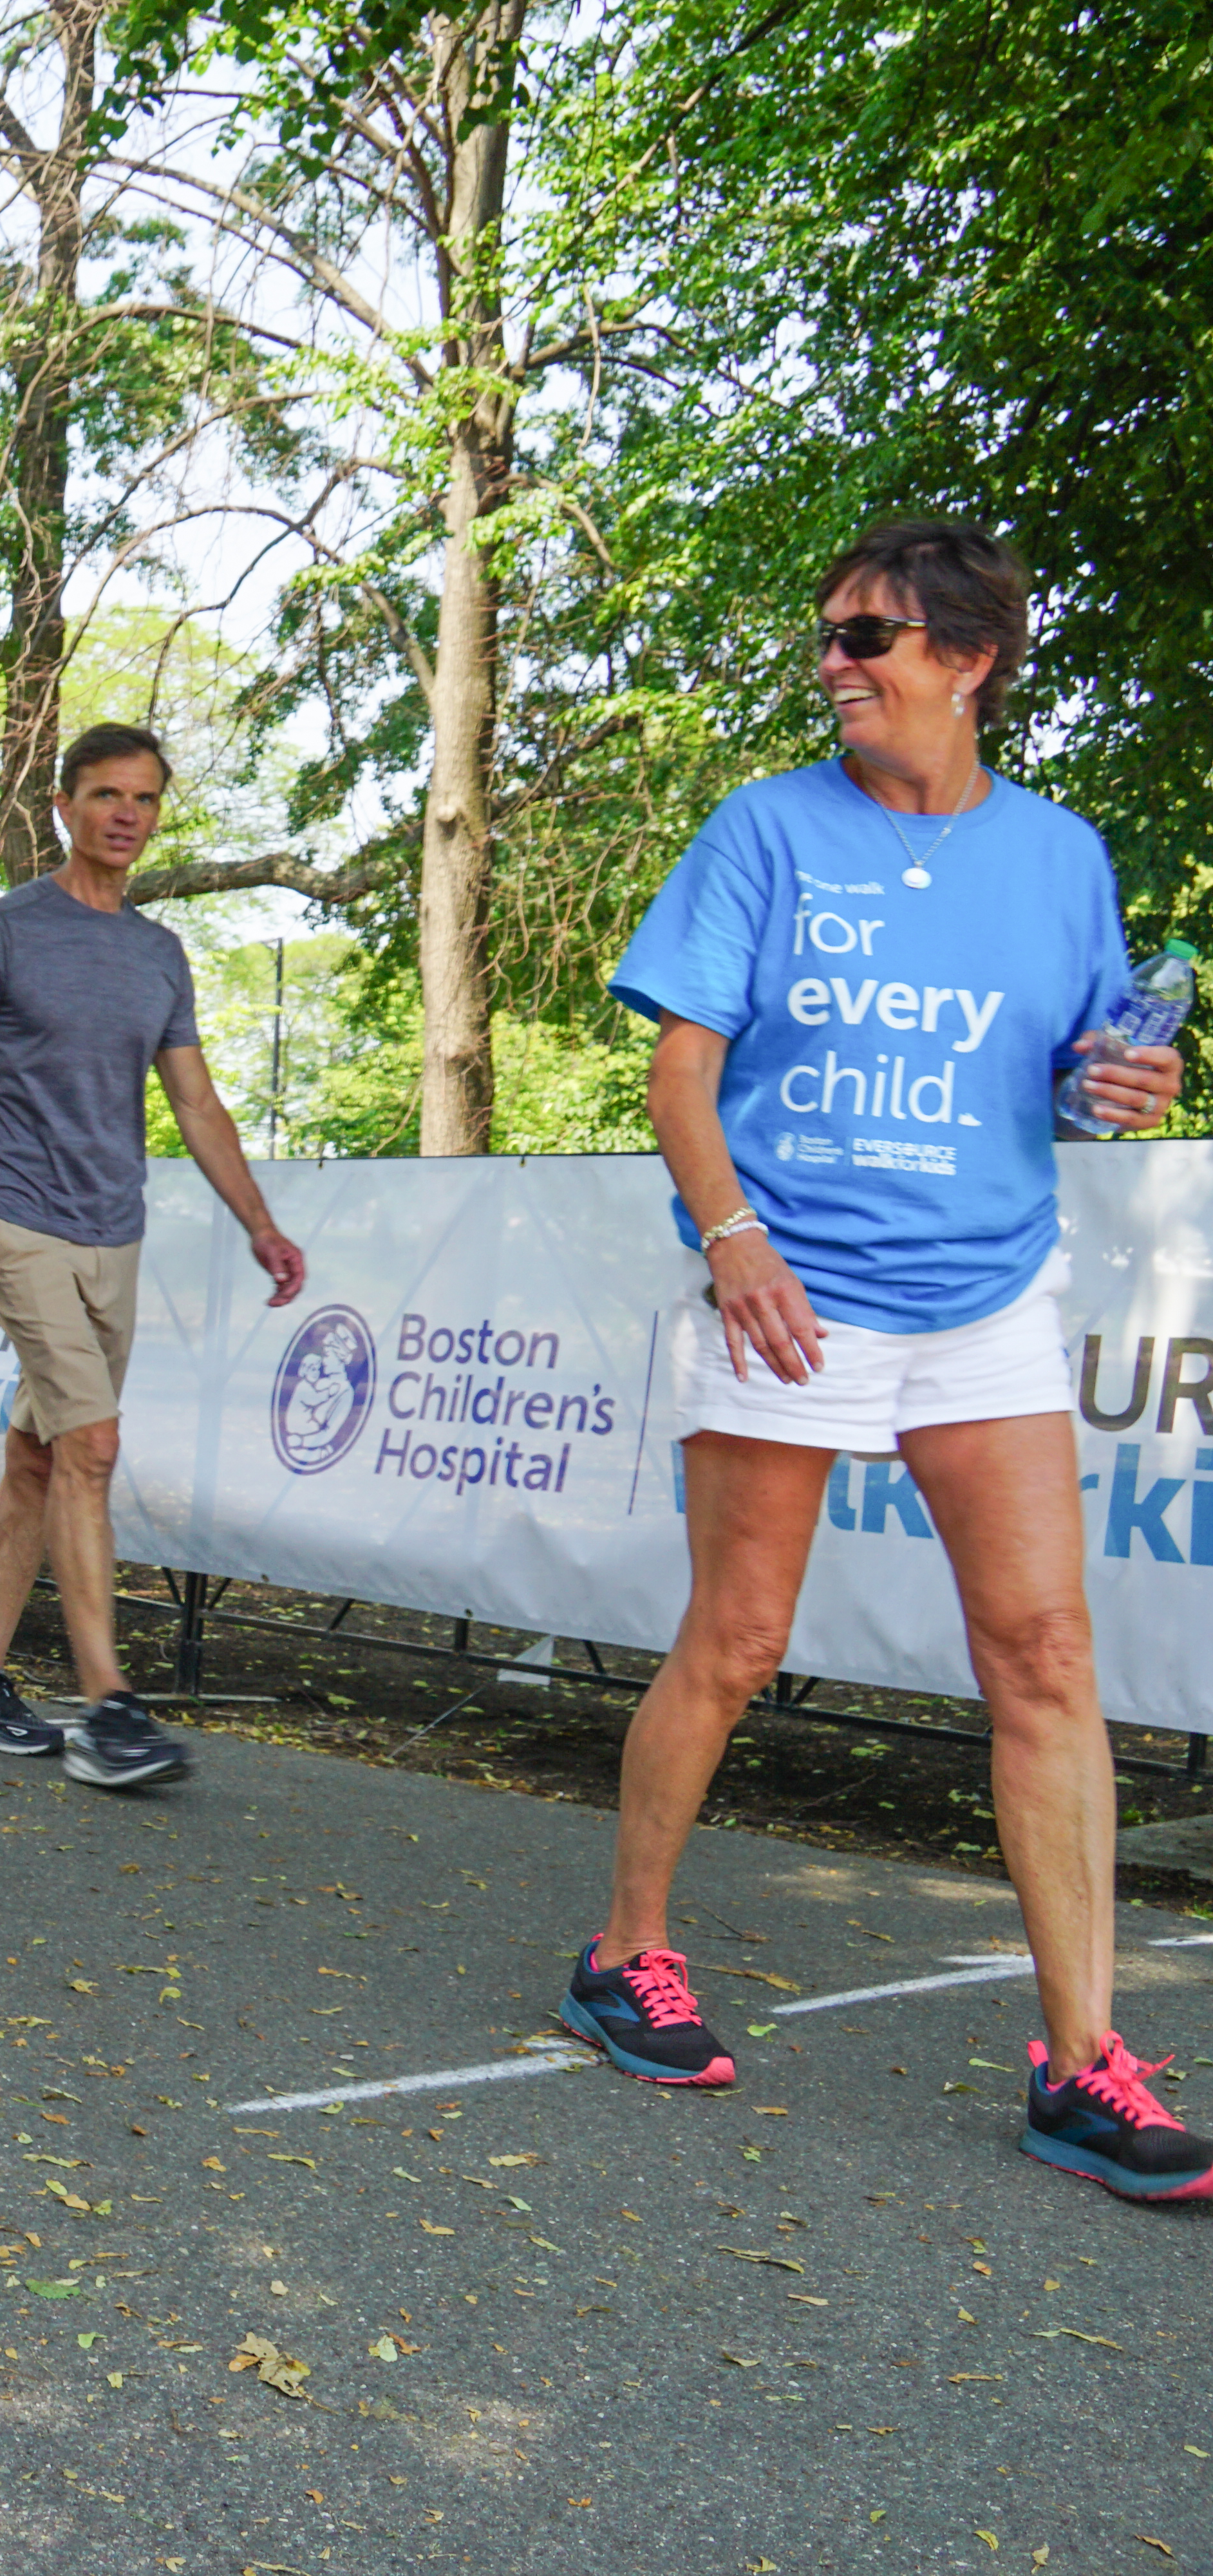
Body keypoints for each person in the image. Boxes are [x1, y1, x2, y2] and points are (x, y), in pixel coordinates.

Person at [559, 518, 1206, 2202]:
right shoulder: (766, 832)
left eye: (871, 638)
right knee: (739, 1637)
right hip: (795, 1291)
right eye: (831, 632)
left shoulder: (1062, 858)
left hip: (985, 1299)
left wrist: (1116, 1090)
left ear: (969, 661)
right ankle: (627, 1953)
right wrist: (733, 1239)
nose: (835, 663)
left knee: (1049, 1655)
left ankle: (1084, 2062)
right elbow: (683, 1075)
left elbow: (1065, 1079)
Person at [0, 724, 306, 1792]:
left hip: (110, 1233)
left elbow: (195, 1101)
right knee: (91, 1449)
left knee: (42, 1456)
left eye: (144, 798)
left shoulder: (156, 953)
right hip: (13, 1217)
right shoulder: (1, 931)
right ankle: (110, 1708)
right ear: (64, 808)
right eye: (104, 795)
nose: (125, 813)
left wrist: (260, 1223)